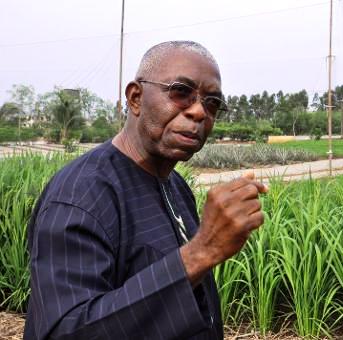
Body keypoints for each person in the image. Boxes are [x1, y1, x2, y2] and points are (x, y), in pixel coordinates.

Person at [24, 41, 267, 340]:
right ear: (136, 98)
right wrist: (203, 251)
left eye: (212, 103)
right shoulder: (81, 195)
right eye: (180, 92)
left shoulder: (176, 186)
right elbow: (65, 331)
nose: (199, 112)